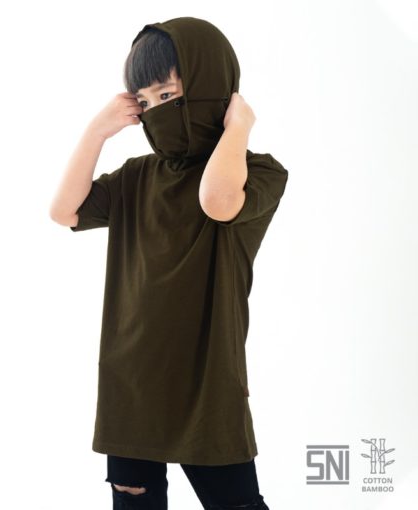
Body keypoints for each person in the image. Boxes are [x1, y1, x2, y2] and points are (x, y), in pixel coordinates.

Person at [50, 16, 288, 510]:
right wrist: (97, 131)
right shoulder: (136, 177)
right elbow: (64, 211)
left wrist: (238, 126)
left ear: (210, 88)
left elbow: (217, 202)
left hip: (208, 382)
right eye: (145, 101)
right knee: (134, 502)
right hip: (132, 379)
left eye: (168, 94)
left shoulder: (258, 172)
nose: (157, 110)